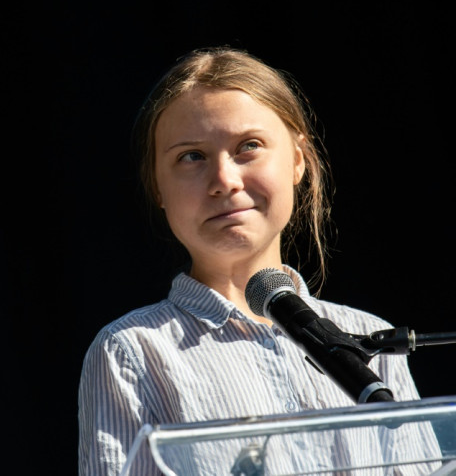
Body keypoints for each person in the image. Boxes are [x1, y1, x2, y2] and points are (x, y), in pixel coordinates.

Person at [77, 47, 443, 475]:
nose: (224, 181)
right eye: (191, 156)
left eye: (248, 146)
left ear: (297, 160)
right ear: (158, 188)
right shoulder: (133, 353)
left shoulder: (369, 340)